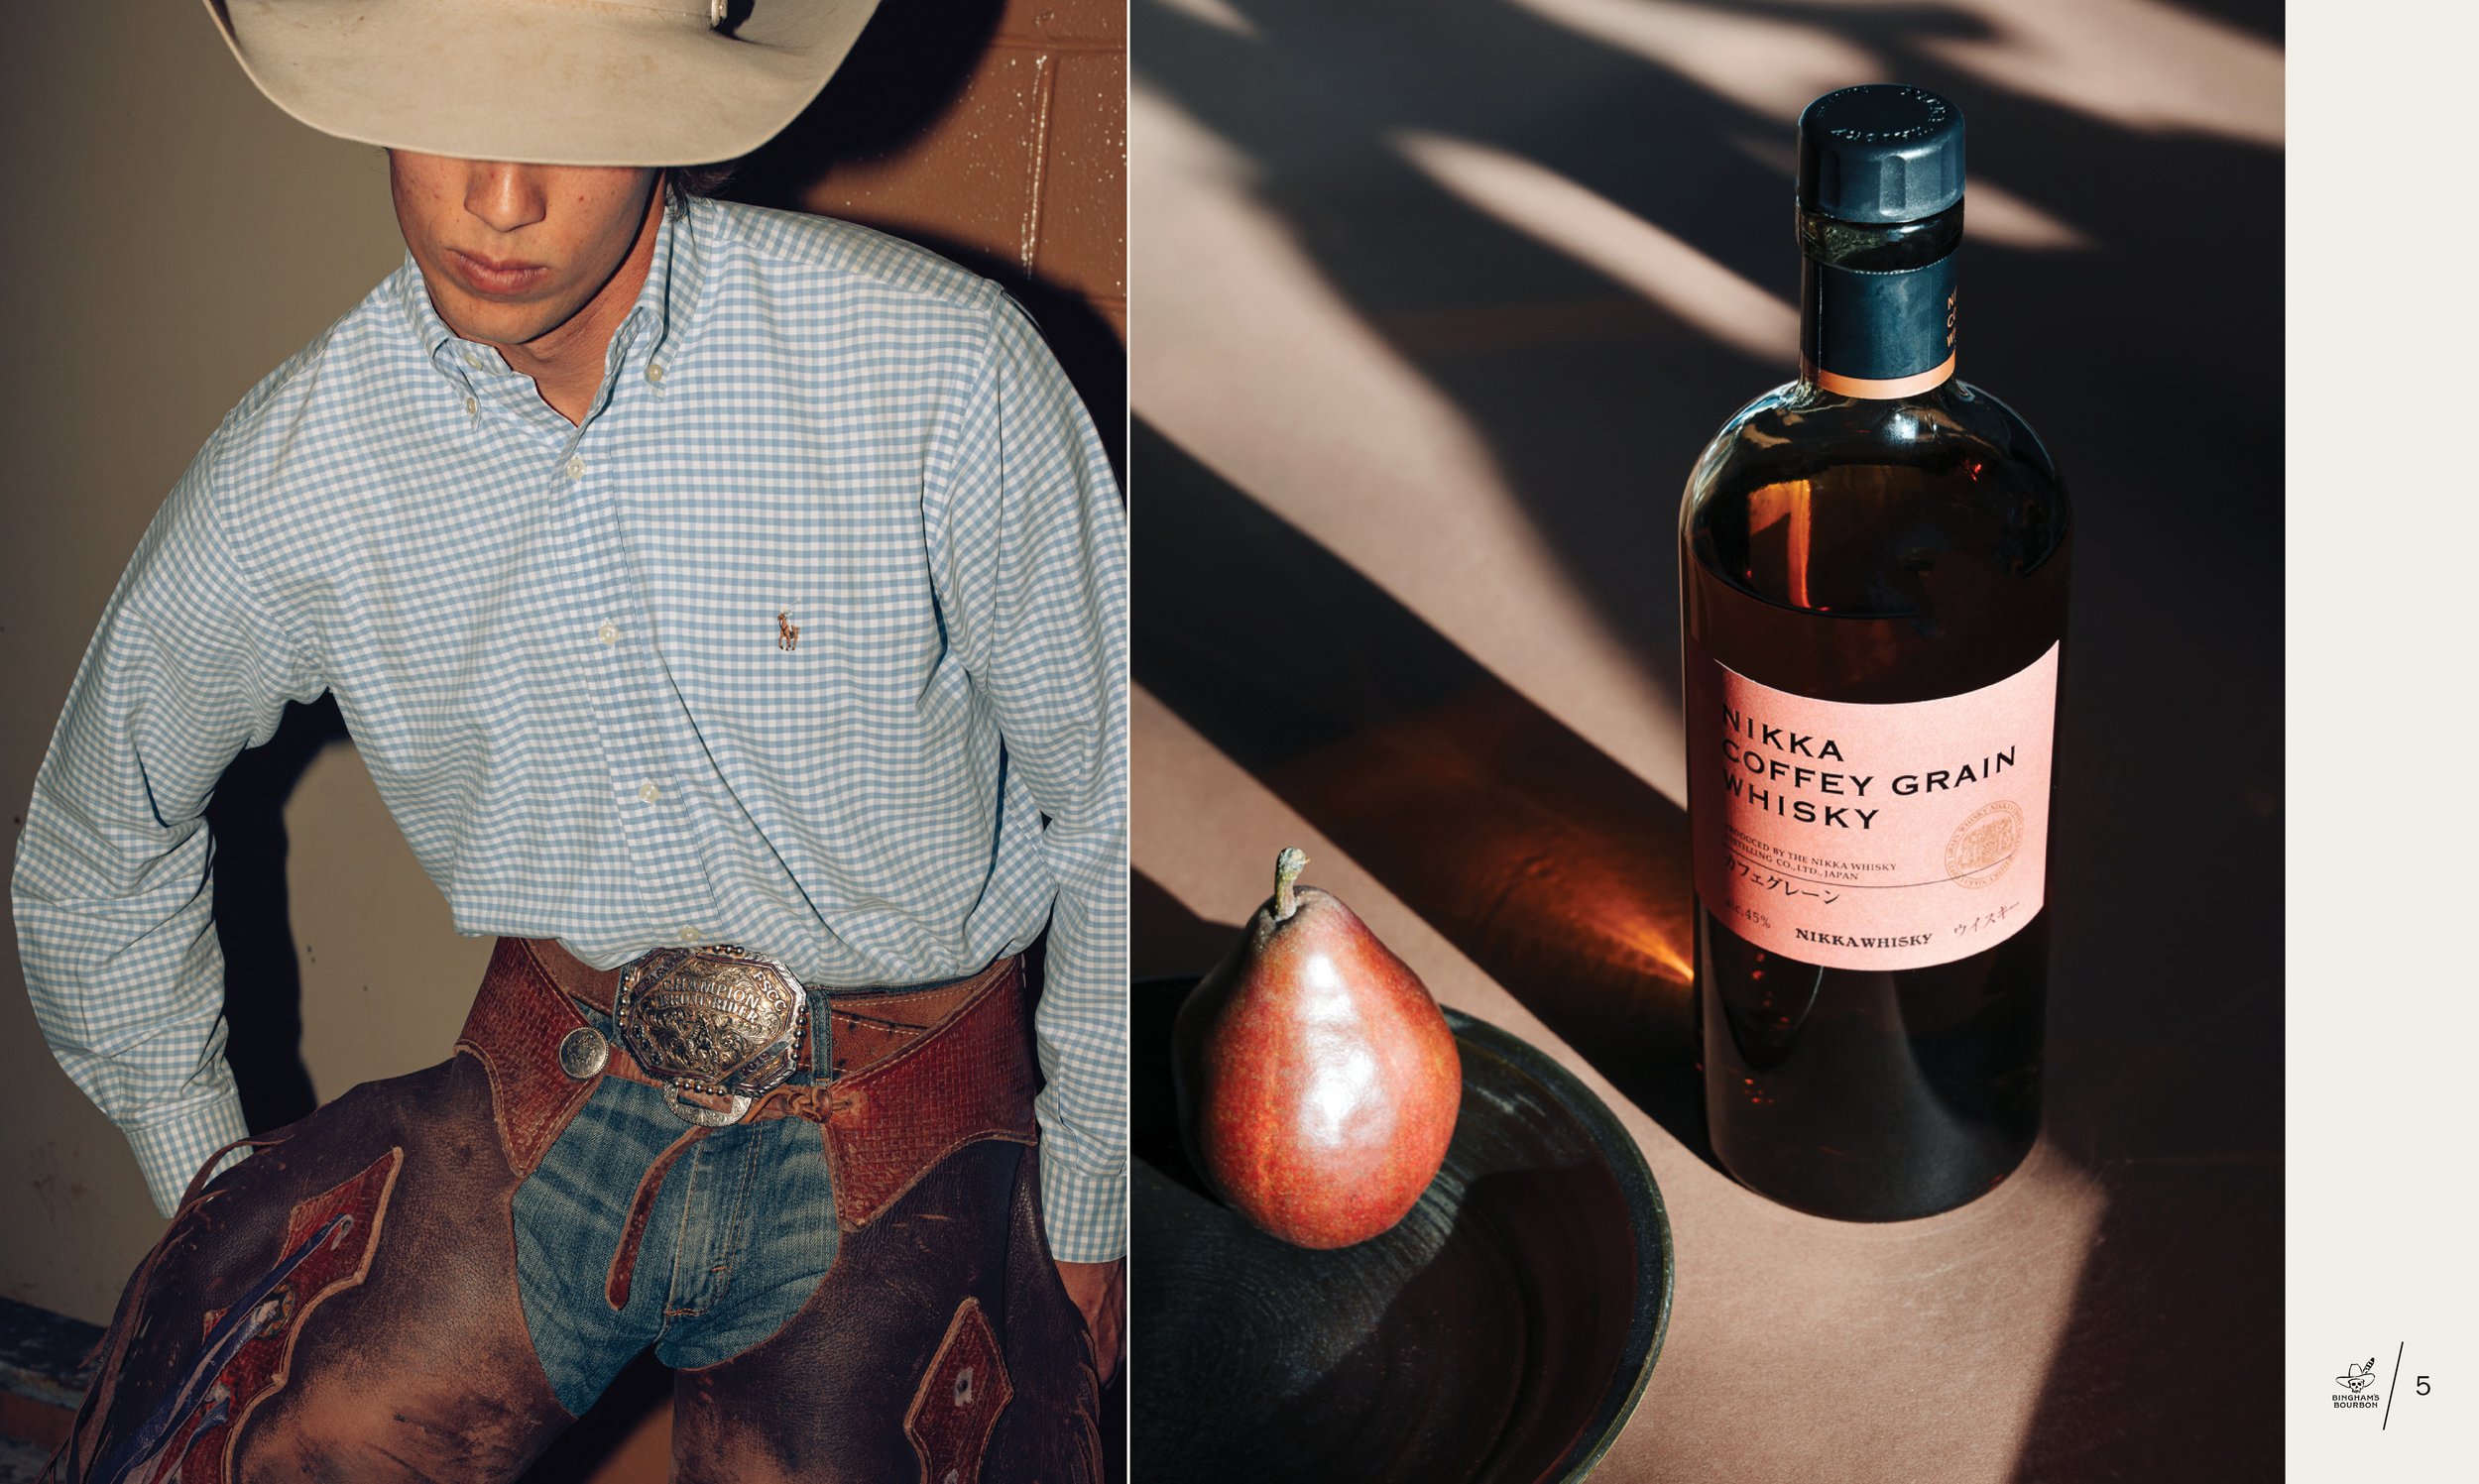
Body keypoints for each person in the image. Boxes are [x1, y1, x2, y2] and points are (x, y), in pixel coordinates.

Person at [13, 2, 1125, 1479]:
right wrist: (216, 1178)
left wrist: (1094, 1206)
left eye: (579, 117)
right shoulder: (303, 467)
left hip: (919, 1105)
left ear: (682, 113)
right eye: (446, 102)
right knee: (232, 1440)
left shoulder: (937, 371)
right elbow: (94, 843)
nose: (501, 196)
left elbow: (1118, 799)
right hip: (549, 1075)